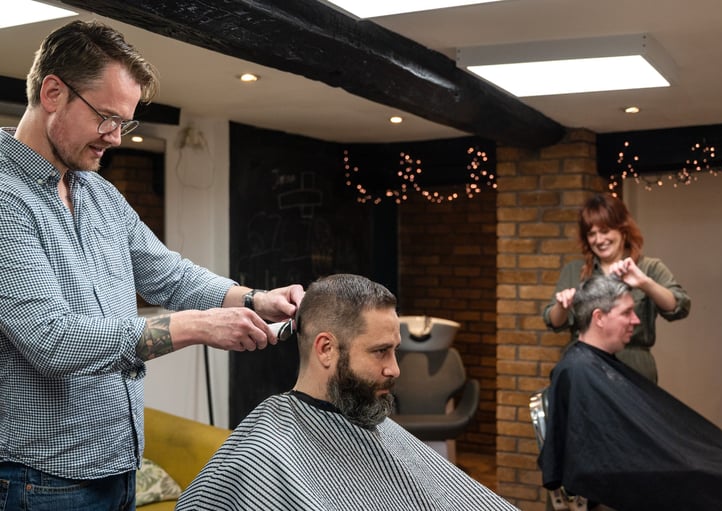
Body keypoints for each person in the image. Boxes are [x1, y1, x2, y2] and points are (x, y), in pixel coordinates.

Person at [0, 20, 304, 510]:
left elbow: (170, 274)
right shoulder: (4, 198)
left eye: (125, 122)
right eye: (106, 118)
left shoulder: (99, 193)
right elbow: (50, 339)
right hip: (40, 481)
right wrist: (194, 327)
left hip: (119, 466)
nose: (116, 138)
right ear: (53, 92)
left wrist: (255, 300)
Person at [176, 274, 520, 511]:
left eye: (395, 351)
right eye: (380, 351)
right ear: (325, 349)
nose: (395, 369)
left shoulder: (372, 425)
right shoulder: (263, 451)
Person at [538, 275, 722, 511]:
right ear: (599, 317)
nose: (636, 320)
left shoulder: (591, 364)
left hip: (681, 456)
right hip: (672, 468)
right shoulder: (578, 371)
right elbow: (599, 454)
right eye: (627, 312)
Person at [543, 192, 691, 383]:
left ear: (622, 230)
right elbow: (553, 322)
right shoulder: (575, 271)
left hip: (634, 368)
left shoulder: (649, 267)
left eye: (605, 231)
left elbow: (679, 306)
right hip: (586, 368)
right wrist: (562, 306)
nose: (598, 239)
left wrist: (644, 283)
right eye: (591, 234)